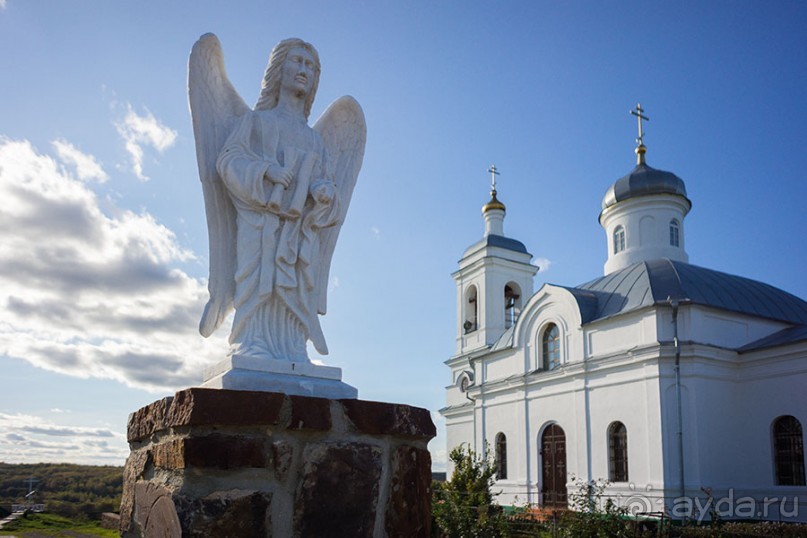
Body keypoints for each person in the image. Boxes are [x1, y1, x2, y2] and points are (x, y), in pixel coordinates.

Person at [215, 39, 339, 361]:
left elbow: (325, 182)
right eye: (297, 61)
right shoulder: (255, 123)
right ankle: (252, 340)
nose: (303, 70)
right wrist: (266, 171)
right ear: (278, 70)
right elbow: (228, 162)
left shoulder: (316, 140)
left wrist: (323, 193)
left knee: (295, 286)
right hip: (260, 226)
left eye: (310, 66)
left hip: (297, 236)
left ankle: (293, 347)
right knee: (258, 280)